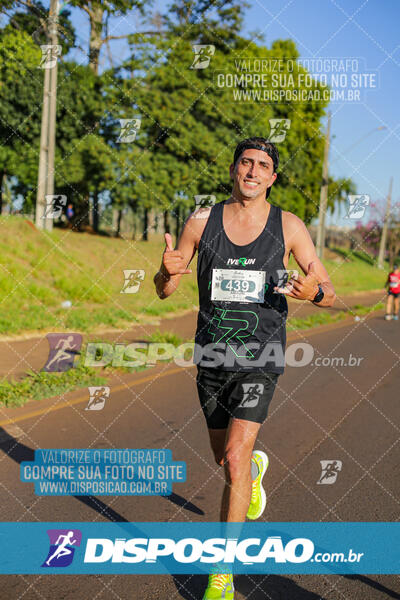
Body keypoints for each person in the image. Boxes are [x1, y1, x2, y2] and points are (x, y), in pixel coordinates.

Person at [154, 137, 336, 599]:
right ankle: (252, 471)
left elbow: (327, 292)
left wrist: (311, 292)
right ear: (234, 169)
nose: (253, 171)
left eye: (263, 166)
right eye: (246, 163)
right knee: (225, 460)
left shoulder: (289, 226)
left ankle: (221, 572)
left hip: (261, 357)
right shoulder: (201, 221)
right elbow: (166, 291)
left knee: (233, 456)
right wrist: (166, 272)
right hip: (213, 357)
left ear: (273, 177)